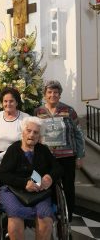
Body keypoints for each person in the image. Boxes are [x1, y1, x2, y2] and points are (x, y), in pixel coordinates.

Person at [0, 117, 63, 240]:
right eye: (28, 131)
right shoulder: (13, 149)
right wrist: (24, 183)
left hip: (39, 192)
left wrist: (49, 177)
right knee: (15, 216)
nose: (32, 135)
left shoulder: (42, 150)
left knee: (45, 218)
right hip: (14, 190)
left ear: (39, 135)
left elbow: (58, 168)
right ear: (22, 132)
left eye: (36, 132)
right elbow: (3, 175)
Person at [34, 80, 85, 221]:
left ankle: (68, 216)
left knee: (68, 187)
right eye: (49, 92)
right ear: (45, 94)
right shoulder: (37, 112)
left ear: (60, 94)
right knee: (46, 185)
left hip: (67, 156)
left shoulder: (69, 110)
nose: (53, 95)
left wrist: (80, 156)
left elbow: (79, 134)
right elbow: (34, 134)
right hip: (47, 157)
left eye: (56, 92)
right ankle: (50, 213)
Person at [0, 87, 30, 153]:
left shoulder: (25, 117)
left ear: (17, 103)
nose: (8, 104)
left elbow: (29, 140)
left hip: (18, 155)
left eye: (11, 101)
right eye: (5, 101)